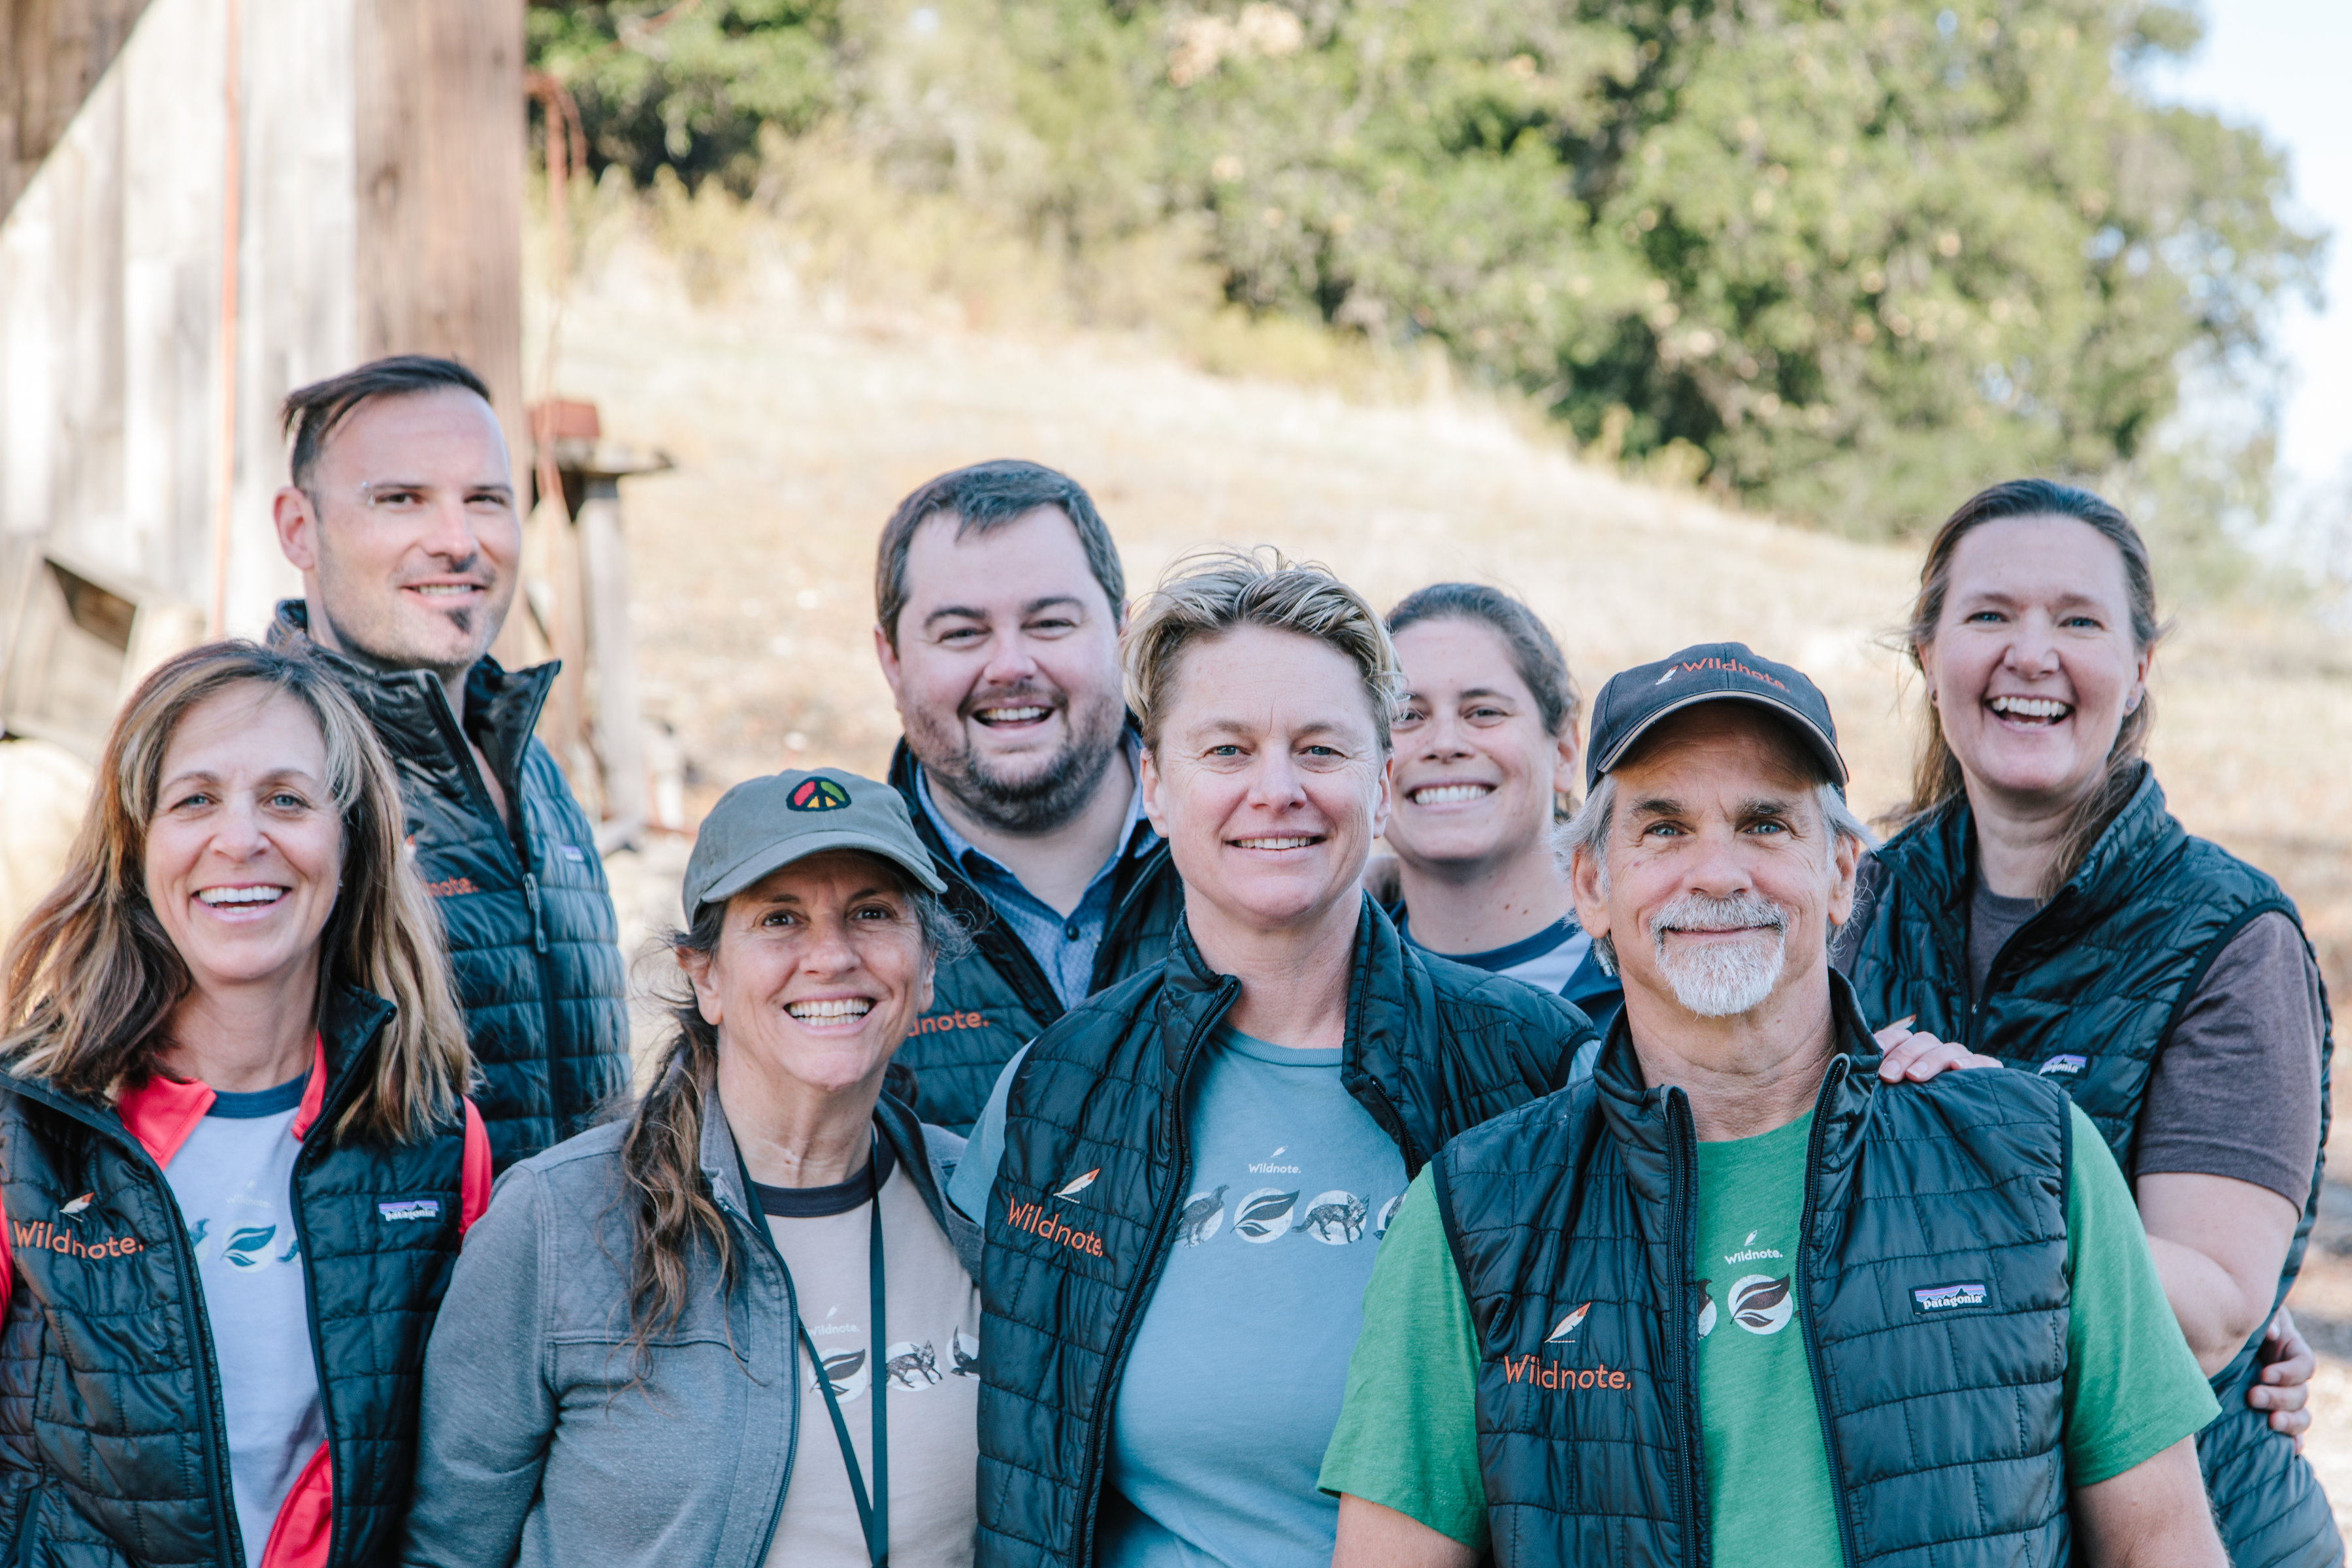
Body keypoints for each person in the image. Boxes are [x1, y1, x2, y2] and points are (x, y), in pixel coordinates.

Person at [1321, 641, 2229, 1568]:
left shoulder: (2033, 1160)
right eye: (1665, 829)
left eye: (1764, 825)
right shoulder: (1477, 1211)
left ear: (1841, 874)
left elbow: (2163, 1548)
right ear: (1592, 884)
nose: (1718, 874)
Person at [949, 552, 1599, 1568]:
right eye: (1228, 751)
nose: (1278, 790)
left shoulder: (1533, 1064)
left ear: (1382, 784)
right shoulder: (1057, 1092)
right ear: (1156, 788)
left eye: (1319, 749)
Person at [1838, 480, 2337, 1567]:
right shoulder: (1857, 906)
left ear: (2140, 666)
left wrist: (1999, 1137)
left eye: (2077, 620)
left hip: (2200, 1530)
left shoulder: (2229, 937)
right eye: (1988, 615)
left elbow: (2207, 1313)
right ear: (1928, 653)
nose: (2031, 654)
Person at [402, 768, 982, 1568]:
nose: (831, 956)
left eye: (873, 913)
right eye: (780, 918)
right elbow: (448, 1551)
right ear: (704, 975)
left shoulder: (983, 1204)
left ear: (925, 973)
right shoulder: (557, 1222)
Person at [0, 642, 489, 1568]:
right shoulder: (27, 1126)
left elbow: (461, 1472)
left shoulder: (437, 1136)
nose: (240, 839)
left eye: (287, 799)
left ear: (351, 841)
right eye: (194, 800)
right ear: (134, 846)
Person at [269, 353, 629, 1169]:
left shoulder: (530, 762)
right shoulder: (266, 778)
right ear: (299, 528)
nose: (458, 542)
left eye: (486, 501)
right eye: (401, 500)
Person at [874, 461, 1183, 1132]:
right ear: (891, 661)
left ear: (1123, 635)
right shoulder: (834, 917)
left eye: (1049, 623)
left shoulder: (1249, 854)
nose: (1011, 666)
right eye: (961, 632)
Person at [1380, 583, 1620, 1031]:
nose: (1445, 744)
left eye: (1484, 712)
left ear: (1566, 752)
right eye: (1408, 716)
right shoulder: (1322, 986)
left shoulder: (1656, 980)